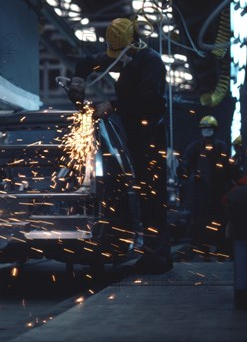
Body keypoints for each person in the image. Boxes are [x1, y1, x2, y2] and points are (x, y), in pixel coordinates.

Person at [67, 17, 171, 274]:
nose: (112, 57)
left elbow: (150, 103)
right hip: (132, 136)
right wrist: (78, 78)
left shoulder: (152, 63)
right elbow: (87, 61)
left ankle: (158, 257)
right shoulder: (123, 54)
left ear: (133, 41)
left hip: (150, 137)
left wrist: (113, 106)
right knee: (139, 194)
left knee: (151, 195)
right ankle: (147, 251)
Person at [177, 115, 233, 258]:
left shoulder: (221, 147)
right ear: (201, 130)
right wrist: (182, 170)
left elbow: (227, 169)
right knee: (201, 222)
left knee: (219, 221)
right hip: (200, 193)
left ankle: (221, 250)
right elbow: (186, 166)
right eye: (205, 129)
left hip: (218, 192)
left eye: (210, 129)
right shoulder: (194, 147)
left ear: (215, 130)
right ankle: (203, 250)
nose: (207, 131)